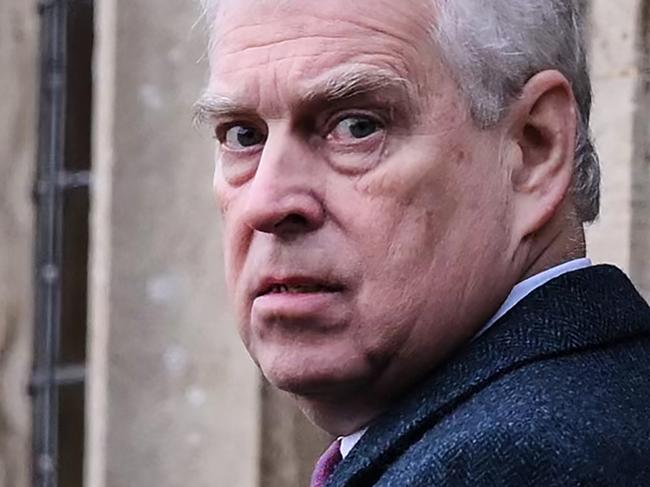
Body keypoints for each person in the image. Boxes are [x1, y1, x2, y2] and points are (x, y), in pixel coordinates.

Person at [193, 0, 650, 485]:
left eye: (357, 126)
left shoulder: (507, 462)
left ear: (534, 149)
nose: (266, 203)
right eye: (243, 135)